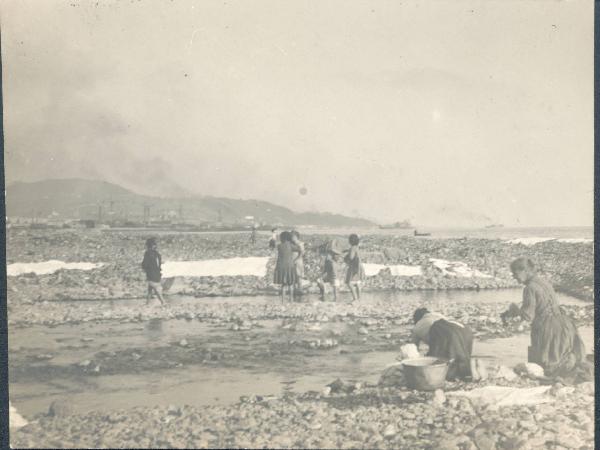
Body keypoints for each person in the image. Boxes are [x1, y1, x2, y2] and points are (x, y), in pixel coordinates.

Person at [503, 257, 591, 381]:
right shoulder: (544, 282)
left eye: (515, 273)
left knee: (548, 364)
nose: (514, 276)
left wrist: (514, 311)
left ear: (525, 271)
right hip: (564, 323)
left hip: (548, 326)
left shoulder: (529, 288)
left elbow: (528, 315)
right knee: (563, 358)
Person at [411, 307, 473, 380]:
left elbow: (413, 347)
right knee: (462, 353)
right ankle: (465, 373)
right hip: (464, 329)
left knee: (440, 358)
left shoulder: (417, 326)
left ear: (417, 318)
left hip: (443, 331)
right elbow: (450, 327)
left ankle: (447, 376)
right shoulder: (437, 314)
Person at [273, 231, 298, 302]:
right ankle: (291, 299)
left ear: (282, 238)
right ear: (289, 238)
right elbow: (299, 249)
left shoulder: (279, 246)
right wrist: (296, 258)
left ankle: (283, 300)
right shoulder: (291, 245)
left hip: (281, 266)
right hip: (290, 265)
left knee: (283, 285)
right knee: (290, 284)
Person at [141, 238, 165, 305]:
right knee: (150, 288)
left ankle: (163, 302)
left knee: (155, 288)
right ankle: (147, 303)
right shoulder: (157, 254)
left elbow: (145, 263)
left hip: (151, 273)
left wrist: (143, 268)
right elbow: (159, 264)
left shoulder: (148, 253)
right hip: (157, 273)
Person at [344, 234, 365, 301]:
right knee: (357, 282)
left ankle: (355, 298)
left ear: (351, 241)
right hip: (359, 266)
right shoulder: (357, 247)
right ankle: (359, 298)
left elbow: (351, 257)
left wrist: (346, 257)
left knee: (349, 282)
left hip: (354, 267)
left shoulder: (352, 248)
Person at [290, 230, 305, 296]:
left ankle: (300, 289)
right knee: (292, 276)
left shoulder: (300, 243)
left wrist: (297, 259)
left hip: (298, 260)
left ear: (296, 237)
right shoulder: (291, 243)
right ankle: (294, 290)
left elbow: (302, 253)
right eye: (291, 236)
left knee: (299, 276)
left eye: (293, 236)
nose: (292, 238)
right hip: (292, 260)